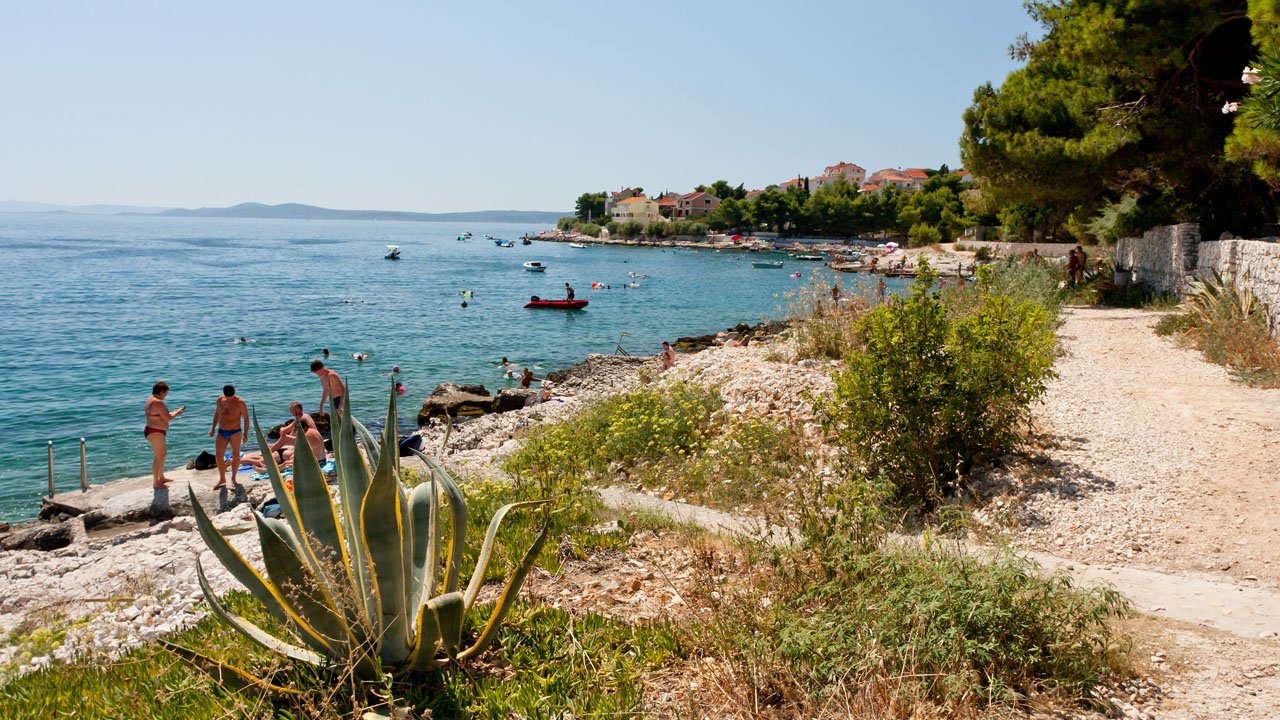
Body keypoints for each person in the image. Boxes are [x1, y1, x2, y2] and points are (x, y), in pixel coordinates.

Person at [145, 381, 184, 489]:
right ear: (161, 392)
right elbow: (167, 418)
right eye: (166, 393)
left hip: (154, 430)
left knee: (162, 454)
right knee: (158, 457)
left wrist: (174, 412)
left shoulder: (150, 399)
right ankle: (155, 483)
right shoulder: (158, 402)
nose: (166, 395)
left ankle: (161, 477)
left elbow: (162, 415)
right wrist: (177, 413)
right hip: (155, 431)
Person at [209, 384, 249, 490]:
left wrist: (245, 434)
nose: (229, 399)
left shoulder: (240, 402)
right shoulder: (220, 400)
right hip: (222, 431)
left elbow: (246, 419)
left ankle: (234, 479)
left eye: (231, 397)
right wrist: (213, 428)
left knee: (236, 456)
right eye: (227, 397)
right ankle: (222, 479)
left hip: (235, 431)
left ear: (234, 393)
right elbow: (217, 414)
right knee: (218, 455)